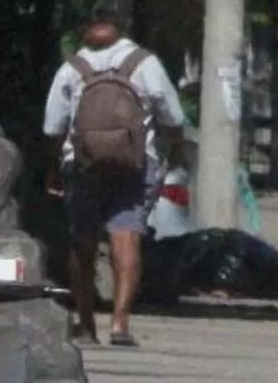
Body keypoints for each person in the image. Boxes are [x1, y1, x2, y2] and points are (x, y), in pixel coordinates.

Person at [41, 19, 185, 346]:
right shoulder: (144, 63)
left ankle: (86, 324)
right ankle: (119, 324)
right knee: (127, 237)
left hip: (81, 166)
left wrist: (52, 168)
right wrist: (175, 154)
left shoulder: (72, 68)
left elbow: (52, 129)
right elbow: (173, 119)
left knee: (83, 242)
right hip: (136, 164)